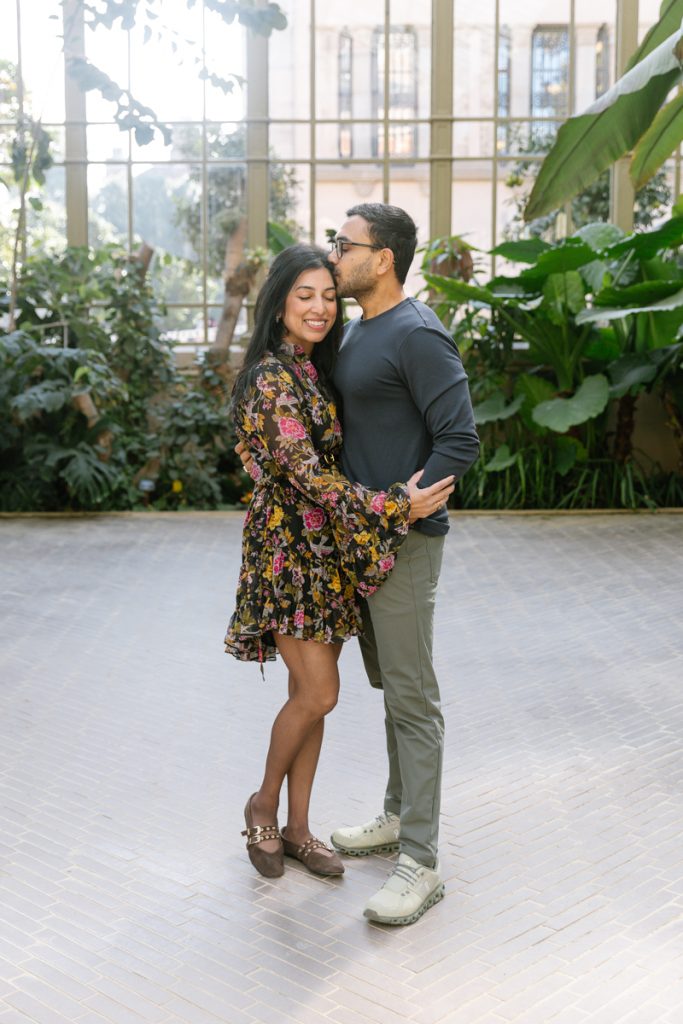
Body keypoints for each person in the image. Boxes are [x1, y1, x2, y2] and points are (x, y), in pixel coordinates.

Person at [224, 243, 456, 882]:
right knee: (321, 692)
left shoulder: (313, 371)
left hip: (327, 555)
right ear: (279, 305)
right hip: (287, 555)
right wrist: (393, 507)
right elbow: (308, 476)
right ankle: (263, 804)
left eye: (329, 295)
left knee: (313, 697)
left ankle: (299, 828)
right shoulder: (269, 379)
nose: (321, 307)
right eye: (305, 296)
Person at [324, 203, 480, 926]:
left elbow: (459, 439)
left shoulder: (416, 333)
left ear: (380, 258)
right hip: (362, 541)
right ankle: (394, 816)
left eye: (343, 243)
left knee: (413, 700)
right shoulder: (359, 329)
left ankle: (420, 860)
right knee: (391, 689)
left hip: (404, 544)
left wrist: (406, 503)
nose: (333, 252)